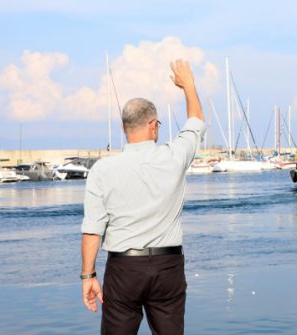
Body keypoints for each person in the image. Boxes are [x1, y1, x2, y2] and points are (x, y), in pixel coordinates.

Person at [80, 59, 205, 335]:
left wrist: (88, 276)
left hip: (124, 269)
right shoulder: (174, 157)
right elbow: (196, 122)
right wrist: (189, 86)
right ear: (153, 125)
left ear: (125, 129)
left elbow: (92, 231)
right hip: (167, 267)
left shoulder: (102, 170)